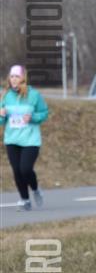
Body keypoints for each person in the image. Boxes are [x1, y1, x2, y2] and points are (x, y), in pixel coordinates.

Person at [0, 65, 48, 210]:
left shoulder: (34, 95)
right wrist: (1, 115)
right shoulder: (6, 96)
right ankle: (25, 200)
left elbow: (44, 113)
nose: (14, 79)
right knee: (17, 171)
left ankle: (35, 189)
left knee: (25, 169)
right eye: (12, 76)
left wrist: (32, 117)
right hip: (12, 139)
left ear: (23, 78)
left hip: (30, 140)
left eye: (17, 76)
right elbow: (2, 121)